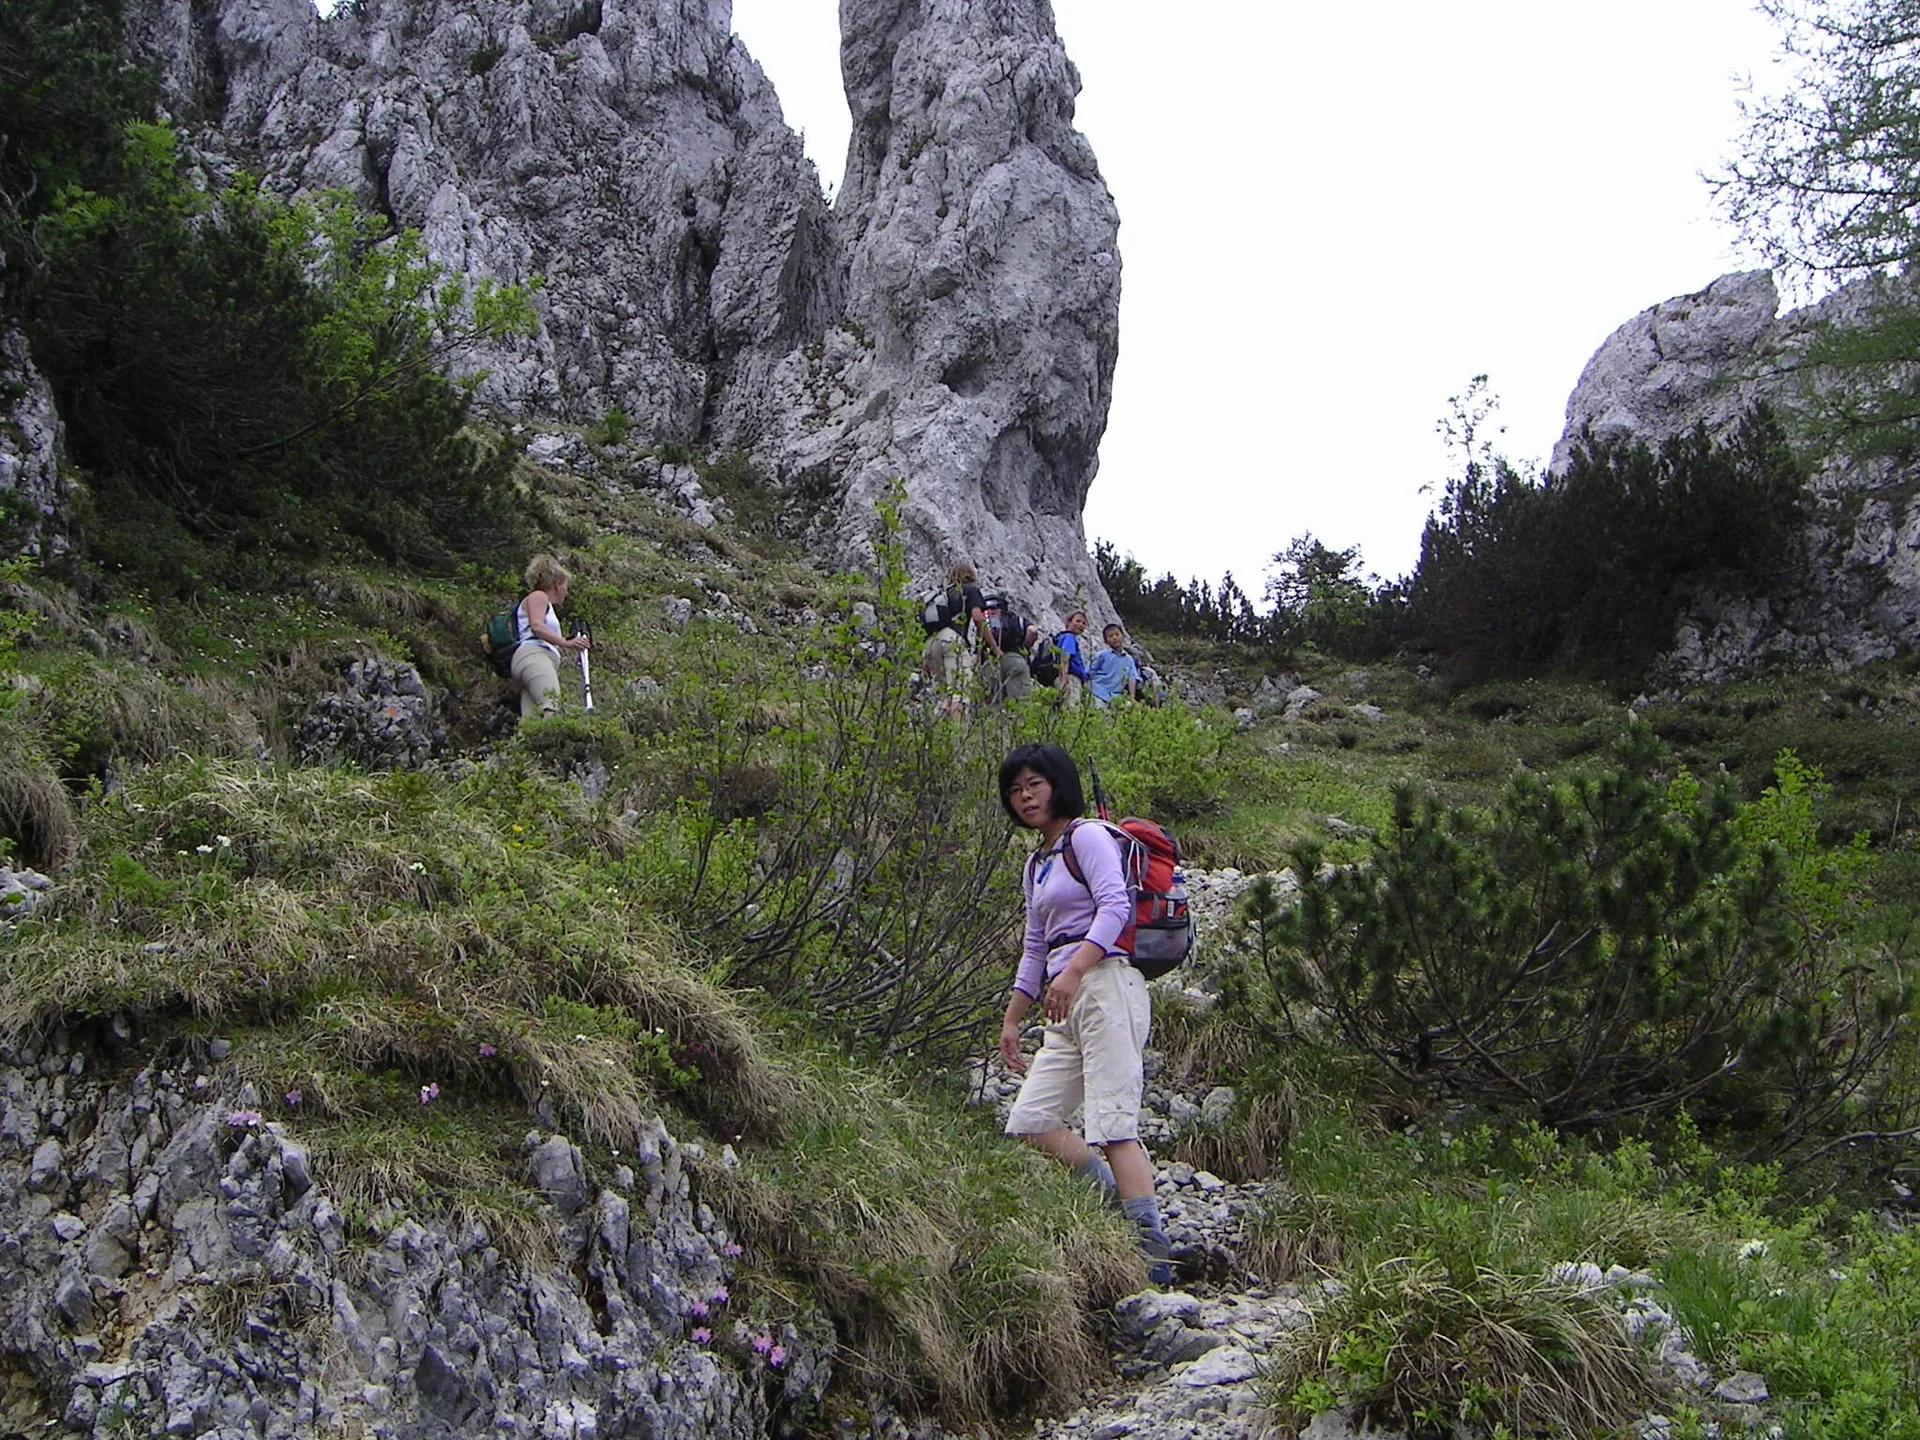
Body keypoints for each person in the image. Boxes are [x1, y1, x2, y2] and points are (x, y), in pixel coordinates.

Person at [996, 743, 1175, 1286]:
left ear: (1058, 785)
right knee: (1029, 1123)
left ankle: (1153, 1255)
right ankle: (1112, 1204)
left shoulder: (1088, 836)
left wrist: (1072, 971)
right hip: (1065, 997)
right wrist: (1011, 1018)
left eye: (1035, 784)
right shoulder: (1038, 862)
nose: (1025, 796)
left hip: (1105, 985)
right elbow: (1033, 944)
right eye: (1015, 789)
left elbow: (1116, 905)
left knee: (1114, 1123)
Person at [511, 553, 590, 718]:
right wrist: (566, 643)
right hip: (535, 657)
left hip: (530, 661)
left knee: (531, 721)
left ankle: (529, 743)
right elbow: (537, 626)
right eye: (566, 585)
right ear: (557, 584)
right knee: (551, 708)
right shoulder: (539, 596)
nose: (566, 591)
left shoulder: (542, 602)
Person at [921, 562, 1000, 715]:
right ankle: (957, 737)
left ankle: (939, 732)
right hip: (951, 640)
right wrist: (994, 647)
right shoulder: (970, 590)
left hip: (931, 644)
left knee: (946, 694)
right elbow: (978, 618)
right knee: (960, 693)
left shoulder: (943, 594)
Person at [1086, 623, 1142, 706]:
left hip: (1116, 696)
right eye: (1110, 636)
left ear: (1123, 636)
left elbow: (1132, 678)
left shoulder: (1129, 659)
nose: (1115, 638)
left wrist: (1132, 698)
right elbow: (1088, 673)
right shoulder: (1101, 655)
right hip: (1097, 691)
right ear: (1106, 641)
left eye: (1117, 634)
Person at [1054, 610, 1093, 707]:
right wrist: (1064, 680)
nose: (1081, 625)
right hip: (1070, 679)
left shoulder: (1062, 636)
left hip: (1064, 677)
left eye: (1084, 623)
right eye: (1078, 621)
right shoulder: (1069, 637)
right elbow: (1065, 657)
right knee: (1072, 709)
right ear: (1068, 622)